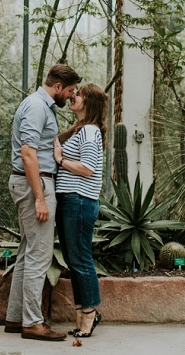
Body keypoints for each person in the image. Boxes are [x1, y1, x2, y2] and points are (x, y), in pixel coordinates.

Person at [4, 64, 81, 342]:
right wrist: (40, 198)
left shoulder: (41, 106)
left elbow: (41, 145)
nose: (71, 97)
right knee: (40, 255)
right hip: (35, 183)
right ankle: (33, 323)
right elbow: (27, 153)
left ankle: (16, 318)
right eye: (70, 91)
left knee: (27, 252)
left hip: (30, 182)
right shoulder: (37, 107)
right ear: (58, 87)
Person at [53, 82, 106, 338]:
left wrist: (60, 159)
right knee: (74, 261)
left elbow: (88, 168)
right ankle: (81, 313)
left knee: (81, 259)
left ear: (90, 103)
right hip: (70, 199)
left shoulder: (90, 133)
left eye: (80, 94)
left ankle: (90, 313)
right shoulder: (80, 131)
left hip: (80, 200)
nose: (73, 96)